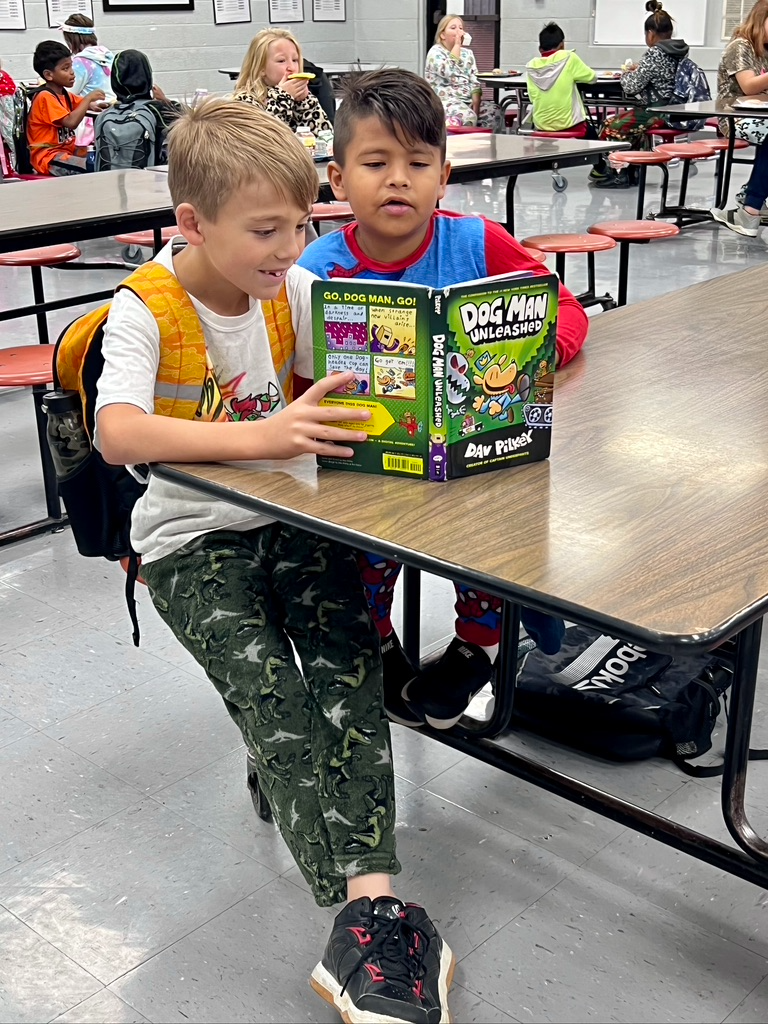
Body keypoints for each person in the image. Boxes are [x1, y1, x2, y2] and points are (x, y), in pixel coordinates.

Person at [94, 98, 453, 1024]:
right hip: (188, 541)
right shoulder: (146, 308)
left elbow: (375, 361)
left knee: (348, 669)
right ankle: (366, 918)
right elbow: (116, 434)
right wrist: (265, 437)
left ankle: (370, 901)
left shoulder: (289, 290)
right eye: (265, 231)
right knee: (280, 704)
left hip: (289, 523)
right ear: (192, 225)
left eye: (299, 227)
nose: (288, 249)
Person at [298, 69, 587, 731]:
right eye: (376, 162)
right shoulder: (315, 269)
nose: (398, 178)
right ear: (338, 179)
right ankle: (380, 643)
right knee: (360, 550)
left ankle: (477, 646)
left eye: (417, 163)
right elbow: (285, 364)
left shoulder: (476, 242)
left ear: (443, 175)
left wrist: (536, 356)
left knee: (491, 530)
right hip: (364, 467)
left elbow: (558, 307)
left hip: (471, 460)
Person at [592, 1, 688, 189]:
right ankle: (633, 171)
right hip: (673, 108)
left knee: (610, 125)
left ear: (651, 34)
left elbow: (631, 87)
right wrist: (641, 70)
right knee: (631, 125)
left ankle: (617, 174)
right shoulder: (678, 51)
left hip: (656, 111)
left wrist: (627, 73)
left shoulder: (654, 53)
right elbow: (660, 75)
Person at [712, 0, 768, 236]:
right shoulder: (740, 46)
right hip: (735, 118)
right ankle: (751, 206)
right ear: (761, 20)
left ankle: (751, 198)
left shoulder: (765, 48)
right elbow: (748, 87)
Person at [233, 28, 332, 135]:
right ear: (261, 68)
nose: (292, 67)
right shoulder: (245, 102)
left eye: (295, 60)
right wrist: (282, 98)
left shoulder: (301, 96)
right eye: (281, 61)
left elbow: (326, 136)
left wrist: (305, 103)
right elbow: (265, 141)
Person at [27, 41, 105, 175]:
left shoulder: (64, 94)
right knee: (92, 165)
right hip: (48, 157)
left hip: (66, 151)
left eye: (71, 67)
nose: (72, 73)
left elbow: (86, 105)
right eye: (65, 68)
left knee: (103, 158)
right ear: (48, 75)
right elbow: (70, 122)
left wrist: (99, 105)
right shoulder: (45, 97)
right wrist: (88, 99)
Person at [97, 48, 178, 168]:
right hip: (149, 181)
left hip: (109, 182)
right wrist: (164, 100)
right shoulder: (157, 109)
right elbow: (192, 120)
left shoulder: (103, 116)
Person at [425, 13, 501, 131]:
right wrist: (457, 45)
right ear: (443, 35)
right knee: (467, 116)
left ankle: (487, 146)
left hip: (467, 100)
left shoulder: (467, 54)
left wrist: (476, 104)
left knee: (494, 112)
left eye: (461, 28)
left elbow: (474, 79)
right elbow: (449, 71)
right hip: (444, 101)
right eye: (453, 28)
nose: (459, 31)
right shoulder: (435, 53)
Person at [526, 22, 597, 136]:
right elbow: (592, 77)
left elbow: (531, 97)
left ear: (540, 49)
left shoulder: (531, 67)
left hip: (542, 128)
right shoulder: (569, 58)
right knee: (595, 137)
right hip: (571, 126)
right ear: (562, 45)